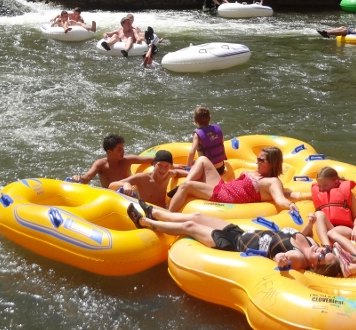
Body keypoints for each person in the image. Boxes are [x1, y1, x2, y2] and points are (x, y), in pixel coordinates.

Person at [127, 204, 309, 261]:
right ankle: (156, 213)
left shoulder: (299, 257)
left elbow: (285, 260)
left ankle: (145, 222)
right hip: (240, 233)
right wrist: (311, 223)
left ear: (316, 264)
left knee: (190, 226)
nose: (322, 251)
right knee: (197, 215)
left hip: (233, 246)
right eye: (325, 251)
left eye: (323, 257)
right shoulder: (310, 244)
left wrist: (282, 260)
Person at [166, 146, 296, 214]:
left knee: (187, 186)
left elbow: (280, 198)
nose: (257, 161)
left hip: (225, 196)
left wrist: (290, 205)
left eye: (261, 160)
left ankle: (167, 215)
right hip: (224, 187)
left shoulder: (272, 181)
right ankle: (182, 186)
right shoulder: (258, 172)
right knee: (203, 160)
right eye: (257, 158)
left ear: (272, 164)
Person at [287, 167, 356, 256]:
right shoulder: (320, 193)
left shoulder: (347, 194)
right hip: (328, 228)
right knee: (319, 214)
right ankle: (327, 247)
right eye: (319, 186)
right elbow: (299, 196)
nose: (321, 188)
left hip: (345, 229)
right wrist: (283, 194)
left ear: (335, 182)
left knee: (332, 233)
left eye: (325, 185)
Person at [110, 149, 188, 207]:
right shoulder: (142, 178)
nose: (163, 170)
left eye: (166, 166)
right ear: (153, 164)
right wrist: (126, 184)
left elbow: (177, 172)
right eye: (159, 165)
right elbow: (111, 185)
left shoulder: (168, 175)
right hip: (146, 212)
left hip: (163, 210)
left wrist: (190, 175)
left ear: (171, 166)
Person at [71, 134, 154, 187]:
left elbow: (152, 159)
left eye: (123, 148)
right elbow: (87, 177)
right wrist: (78, 178)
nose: (123, 151)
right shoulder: (101, 164)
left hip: (127, 193)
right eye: (119, 149)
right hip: (110, 196)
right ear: (109, 152)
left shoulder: (128, 160)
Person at [185, 106, 228, 176]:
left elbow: (192, 152)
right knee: (195, 162)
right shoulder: (217, 129)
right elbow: (222, 142)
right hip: (221, 168)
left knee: (192, 165)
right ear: (210, 118)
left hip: (209, 171)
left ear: (195, 121)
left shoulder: (197, 134)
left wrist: (187, 168)